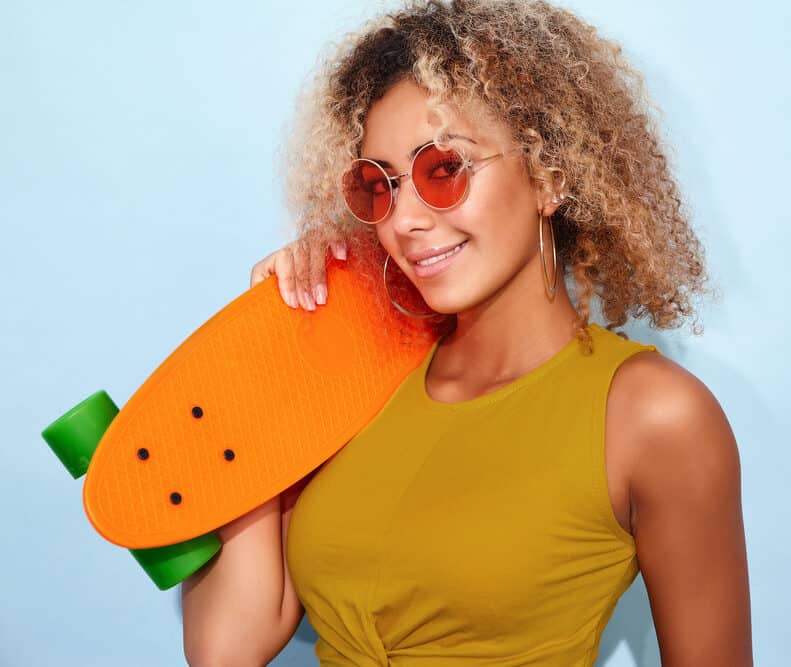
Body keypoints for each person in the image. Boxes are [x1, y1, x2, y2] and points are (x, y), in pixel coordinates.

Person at [181, 1, 752, 665]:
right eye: (381, 186)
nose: (406, 221)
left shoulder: (651, 415)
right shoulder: (366, 378)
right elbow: (227, 649)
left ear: (550, 175)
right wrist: (272, 350)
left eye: (443, 170)